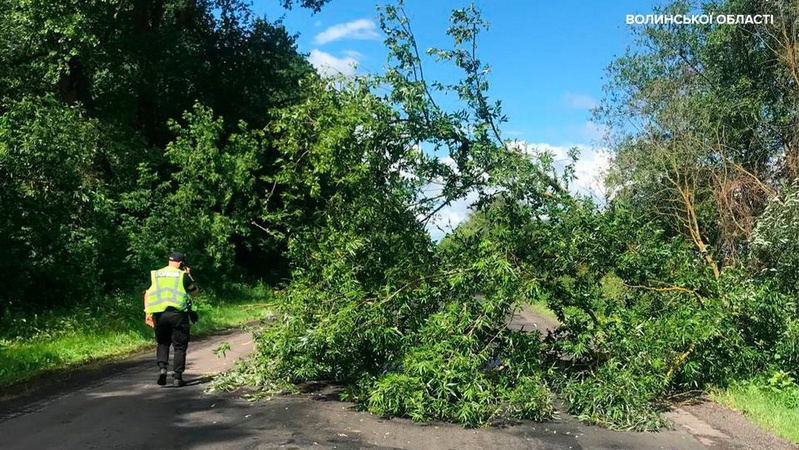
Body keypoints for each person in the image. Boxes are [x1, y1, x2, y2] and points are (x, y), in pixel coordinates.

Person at [143, 252, 199, 387]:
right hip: (178, 315)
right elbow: (194, 292)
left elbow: (147, 293)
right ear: (181, 263)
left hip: (160, 315)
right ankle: (177, 377)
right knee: (179, 346)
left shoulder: (155, 274)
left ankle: (162, 369)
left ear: (169, 261)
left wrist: (148, 314)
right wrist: (189, 275)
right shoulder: (182, 275)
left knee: (163, 343)